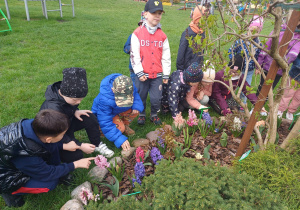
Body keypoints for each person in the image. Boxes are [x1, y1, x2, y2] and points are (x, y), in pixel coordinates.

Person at [0, 109, 95, 207]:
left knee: (53, 148)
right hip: (5, 177)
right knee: (51, 182)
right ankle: (11, 193)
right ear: (48, 139)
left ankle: (59, 173)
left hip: (14, 161)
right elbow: (48, 174)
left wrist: (63, 146)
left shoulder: (35, 126)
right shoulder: (25, 155)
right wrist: (76, 164)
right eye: (62, 135)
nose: (63, 137)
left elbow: (49, 144)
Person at [40, 67, 114, 162]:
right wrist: (80, 145)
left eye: (81, 99)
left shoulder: (67, 97)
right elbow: (57, 134)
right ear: (63, 93)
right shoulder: (53, 109)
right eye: (75, 100)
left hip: (67, 122)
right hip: (56, 134)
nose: (78, 102)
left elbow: (67, 106)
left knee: (89, 117)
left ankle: (97, 144)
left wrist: (75, 111)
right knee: (76, 156)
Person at [130, 0, 171, 125]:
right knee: (141, 95)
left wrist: (166, 74)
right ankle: (141, 114)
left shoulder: (162, 36)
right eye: (154, 13)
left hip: (157, 74)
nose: (157, 16)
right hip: (142, 74)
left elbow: (166, 56)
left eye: (159, 13)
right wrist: (139, 72)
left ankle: (154, 114)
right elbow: (134, 55)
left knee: (156, 98)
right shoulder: (137, 33)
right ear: (145, 14)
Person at [92, 74, 144, 151]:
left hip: (117, 110)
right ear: (113, 90)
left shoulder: (129, 85)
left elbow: (135, 95)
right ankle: (101, 131)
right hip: (104, 116)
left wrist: (136, 105)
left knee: (135, 111)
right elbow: (105, 121)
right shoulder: (105, 100)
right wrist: (118, 138)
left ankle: (125, 125)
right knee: (120, 129)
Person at [256, 19, 300, 97]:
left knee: (269, 88)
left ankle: (260, 107)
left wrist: (283, 63)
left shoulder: (297, 36)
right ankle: (255, 106)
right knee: (262, 86)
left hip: (278, 69)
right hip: (267, 64)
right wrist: (259, 64)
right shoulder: (280, 29)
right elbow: (266, 46)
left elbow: (293, 53)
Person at [228, 15, 263, 104]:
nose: (253, 34)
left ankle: (242, 104)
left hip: (249, 70)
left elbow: (259, 56)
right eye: (251, 31)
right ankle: (230, 100)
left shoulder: (259, 43)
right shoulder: (240, 39)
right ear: (248, 28)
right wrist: (234, 62)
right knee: (233, 85)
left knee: (246, 88)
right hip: (237, 69)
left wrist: (258, 67)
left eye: (256, 32)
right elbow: (231, 50)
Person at [176, 5, 206, 71]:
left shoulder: (203, 33)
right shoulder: (187, 34)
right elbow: (181, 54)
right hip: (187, 69)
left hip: (198, 68)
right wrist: (180, 70)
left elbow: (202, 53)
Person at [123, 11, 145, 83]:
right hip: (134, 67)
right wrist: (133, 48)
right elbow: (126, 48)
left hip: (147, 67)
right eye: (141, 24)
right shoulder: (133, 36)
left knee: (143, 88)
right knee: (136, 87)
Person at [277, 54, 300, 121]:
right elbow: (295, 58)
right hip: (295, 75)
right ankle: (280, 109)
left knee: (298, 97)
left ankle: (291, 111)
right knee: (288, 93)